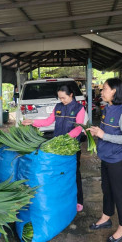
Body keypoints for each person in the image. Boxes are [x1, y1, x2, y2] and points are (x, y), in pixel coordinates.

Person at [22, 84, 86, 212]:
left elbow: (79, 128)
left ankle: (79, 200)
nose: (62, 100)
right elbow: (48, 121)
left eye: (64, 98)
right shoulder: (58, 107)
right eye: (60, 98)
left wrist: (65, 139)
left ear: (71, 95)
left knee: (74, 173)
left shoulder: (79, 109)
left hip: (71, 147)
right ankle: (62, 198)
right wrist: (32, 122)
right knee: (60, 173)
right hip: (58, 147)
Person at [87, 78, 122, 242]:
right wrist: (96, 131)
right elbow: (106, 130)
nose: (102, 91)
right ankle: (106, 218)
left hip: (118, 161)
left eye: (104, 88)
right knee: (107, 189)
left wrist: (103, 135)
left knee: (119, 194)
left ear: (114, 91)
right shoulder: (107, 109)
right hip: (106, 157)